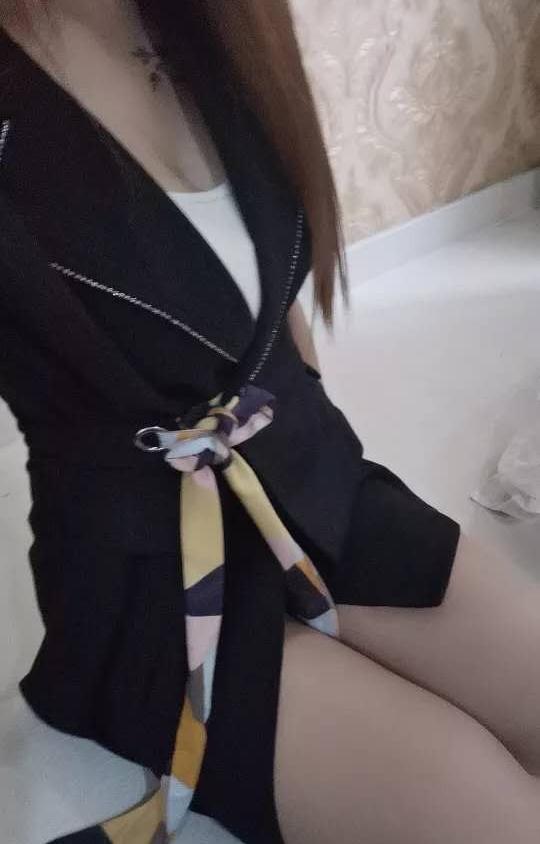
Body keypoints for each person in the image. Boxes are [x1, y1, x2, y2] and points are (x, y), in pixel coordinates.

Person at [0, 2, 539, 843]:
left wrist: (315, 441)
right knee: (499, 814)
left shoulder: (221, 25)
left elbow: (277, 303)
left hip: (312, 479)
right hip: (144, 572)